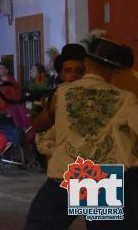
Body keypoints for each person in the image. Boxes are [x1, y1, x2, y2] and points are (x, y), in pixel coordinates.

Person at [24, 37, 138, 230]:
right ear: (113, 71)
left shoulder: (61, 94)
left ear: (86, 64)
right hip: (100, 178)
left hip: (66, 172)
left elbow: (38, 125)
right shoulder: (125, 98)